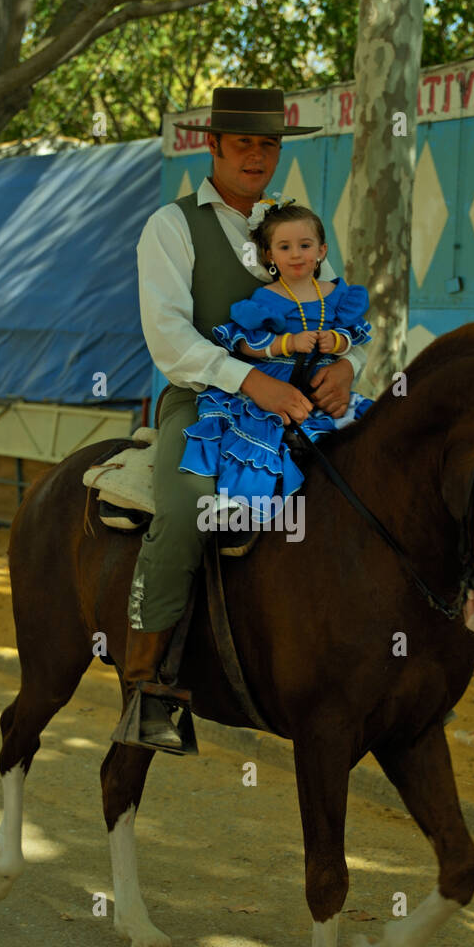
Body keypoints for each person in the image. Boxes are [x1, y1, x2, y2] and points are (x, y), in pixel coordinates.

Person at [118, 88, 368, 753]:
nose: (257, 155)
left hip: (302, 401)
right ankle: (151, 688)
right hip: (207, 405)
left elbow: (336, 315)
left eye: (269, 143)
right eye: (243, 143)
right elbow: (168, 338)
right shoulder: (171, 227)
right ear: (214, 148)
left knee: (379, 483)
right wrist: (249, 379)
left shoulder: (298, 228)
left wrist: (350, 366)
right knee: (186, 508)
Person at [178, 199, 373, 519]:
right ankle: (241, 500)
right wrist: (288, 342)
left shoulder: (339, 294)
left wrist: (335, 341)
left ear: (321, 251)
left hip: (321, 379)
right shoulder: (267, 298)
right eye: (285, 247)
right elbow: (247, 345)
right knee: (260, 427)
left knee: (360, 426)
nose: (296, 254)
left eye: (305, 245)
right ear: (270, 255)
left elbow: (354, 334)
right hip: (275, 377)